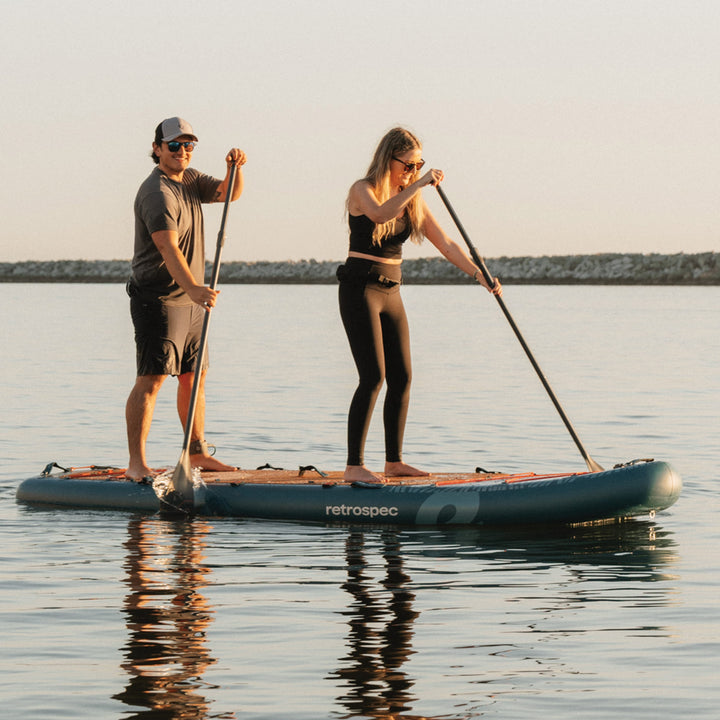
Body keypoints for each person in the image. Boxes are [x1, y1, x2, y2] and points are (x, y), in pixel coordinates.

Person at [337, 127, 502, 483]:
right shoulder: (362, 190)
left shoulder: (410, 198)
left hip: (391, 292)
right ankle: (354, 466)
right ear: (389, 159)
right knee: (373, 376)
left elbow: (445, 244)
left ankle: (394, 462)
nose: (413, 171)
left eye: (418, 165)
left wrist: (479, 274)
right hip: (360, 288)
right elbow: (380, 215)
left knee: (403, 376)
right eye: (409, 165)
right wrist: (420, 183)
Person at [125, 117, 247, 482]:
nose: (183, 151)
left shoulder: (191, 180)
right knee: (152, 378)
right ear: (158, 149)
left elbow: (229, 193)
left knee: (194, 376)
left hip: (191, 299)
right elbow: (167, 247)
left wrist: (234, 169)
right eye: (174, 145)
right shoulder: (156, 192)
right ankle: (137, 463)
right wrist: (194, 287)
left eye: (188, 145)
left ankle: (197, 453)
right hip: (158, 298)